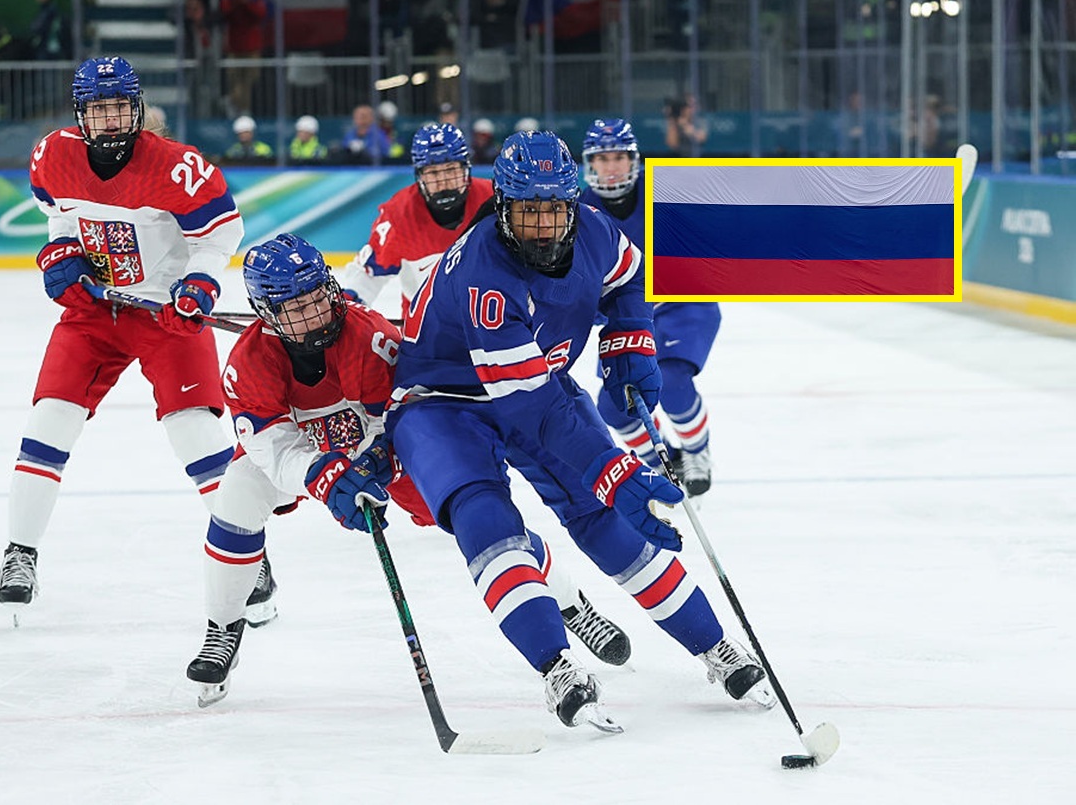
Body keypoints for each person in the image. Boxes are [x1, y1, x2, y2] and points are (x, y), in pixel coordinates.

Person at [387, 130, 773, 732]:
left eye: (554, 208)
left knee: (607, 519)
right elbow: (535, 409)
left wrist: (630, 340)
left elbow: (626, 280)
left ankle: (712, 646)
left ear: (573, 202)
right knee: (488, 520)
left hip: (533, 379)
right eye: (528, 211)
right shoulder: (486, 275)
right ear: (503, 209)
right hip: (444, 402)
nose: (543, 224)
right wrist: (612, 469)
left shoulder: (595, 229)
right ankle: (555, 666)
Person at [185, 234, 630, 706]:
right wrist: (321, 473)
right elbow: (271, 446)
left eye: (318, 296)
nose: (315, 313)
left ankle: (568, 601)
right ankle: (223, 625)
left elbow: (402, 417)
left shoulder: (370, 337)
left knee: (478, 522)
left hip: (381, 453)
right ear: (267, 312)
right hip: (309, 457)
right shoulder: (247, 364)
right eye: (297, 308)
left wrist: (378, 459)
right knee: (237, 494)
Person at [0, 56, 244, 618]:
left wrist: (198, 283)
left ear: (136, 109)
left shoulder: (178, 167)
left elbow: (221, 234)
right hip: (95, 312)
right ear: (80, 114)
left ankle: (246, 552)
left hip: (165, 314)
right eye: (98, 109)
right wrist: (60, 254)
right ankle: (20, 552)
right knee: (48, 420)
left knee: (195, 436)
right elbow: (60, 218)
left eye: (119, 108)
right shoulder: (51, 155)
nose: (109, 120)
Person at [580, 118, 719, 495]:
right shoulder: (578, 214)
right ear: (590, 164)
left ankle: (696, 452)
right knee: (612, 408)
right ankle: (663, 461)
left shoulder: (665, 194)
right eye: (602, 158)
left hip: (681, 305)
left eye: (619, 157)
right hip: (626, 317)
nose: (611, 166)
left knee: (671, 380)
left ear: (634, 160)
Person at [338, 122, 492, 316]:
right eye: (433, 172)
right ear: (419, 176)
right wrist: (347, 309)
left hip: (488, 319)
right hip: (425, 327)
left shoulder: (494, 200)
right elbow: (369, 274)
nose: (444, 182)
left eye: (451, 169)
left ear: (466, 169)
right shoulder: (398, 215)